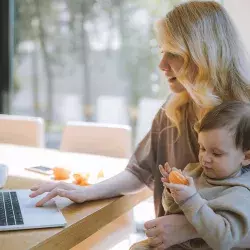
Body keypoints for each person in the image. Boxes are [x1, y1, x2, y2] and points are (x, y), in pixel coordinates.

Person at [29, 1, 250, 248]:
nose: (162, 64)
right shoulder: (174, 108)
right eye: (161, 51)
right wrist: (85, 192)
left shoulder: (245, 115)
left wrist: (189, 227)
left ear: (204, 55)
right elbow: (139, 172)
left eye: (174, 54)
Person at [129, 101, 250, 250]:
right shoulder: (195, 171)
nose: (205, 158)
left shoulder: (240, 194)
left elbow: (224, 240)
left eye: (216, 153)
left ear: (246, 158)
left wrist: (190, 199)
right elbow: (171, 208)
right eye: (202, 148)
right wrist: (172, 192)